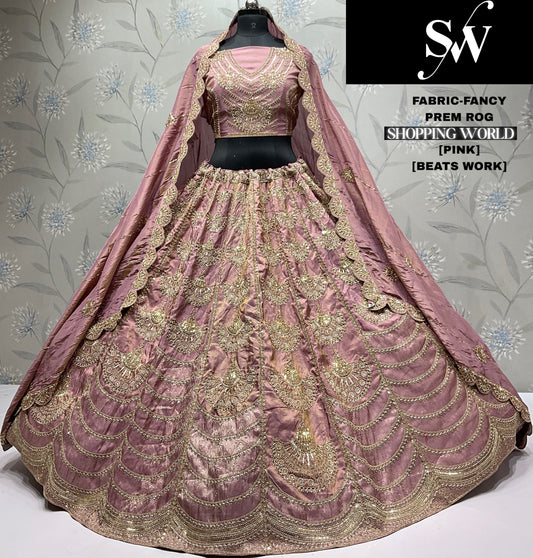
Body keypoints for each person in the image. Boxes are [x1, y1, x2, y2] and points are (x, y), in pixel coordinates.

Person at [1, 3, 530, 556]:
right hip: (215, 201)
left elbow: (326, 143)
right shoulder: (204, 60)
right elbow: (178, 143)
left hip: (291, 196)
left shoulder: (298, 58)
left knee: (326, 319)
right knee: (181, 324)